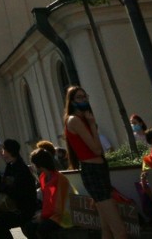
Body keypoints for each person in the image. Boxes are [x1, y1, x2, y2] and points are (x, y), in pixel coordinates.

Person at [62, 85, 127, 239]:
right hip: (93, 170)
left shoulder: (83, 119)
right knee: (120, 230)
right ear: (71, 101)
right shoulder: (75, 120)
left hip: (98, 169)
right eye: (79, 97)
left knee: (107, 228)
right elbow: (97, 149)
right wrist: (92, 125)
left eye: (85, 97)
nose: (83, 100)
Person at [0, 139, 38, 239]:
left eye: (4, 151)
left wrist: (1, 186)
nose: (2, 154)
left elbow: (16, 192)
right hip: (16, 207)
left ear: (10, 152)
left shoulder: (20, 169)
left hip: (24, 209)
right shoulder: (11, 166)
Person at [28, 148, 72, 239]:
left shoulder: (59, 179)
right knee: (29, 226)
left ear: (39, 165)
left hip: (63, 215)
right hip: (51, 214)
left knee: (42, 228)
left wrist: (43, 215)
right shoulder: (43, 177)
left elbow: (59, 206)